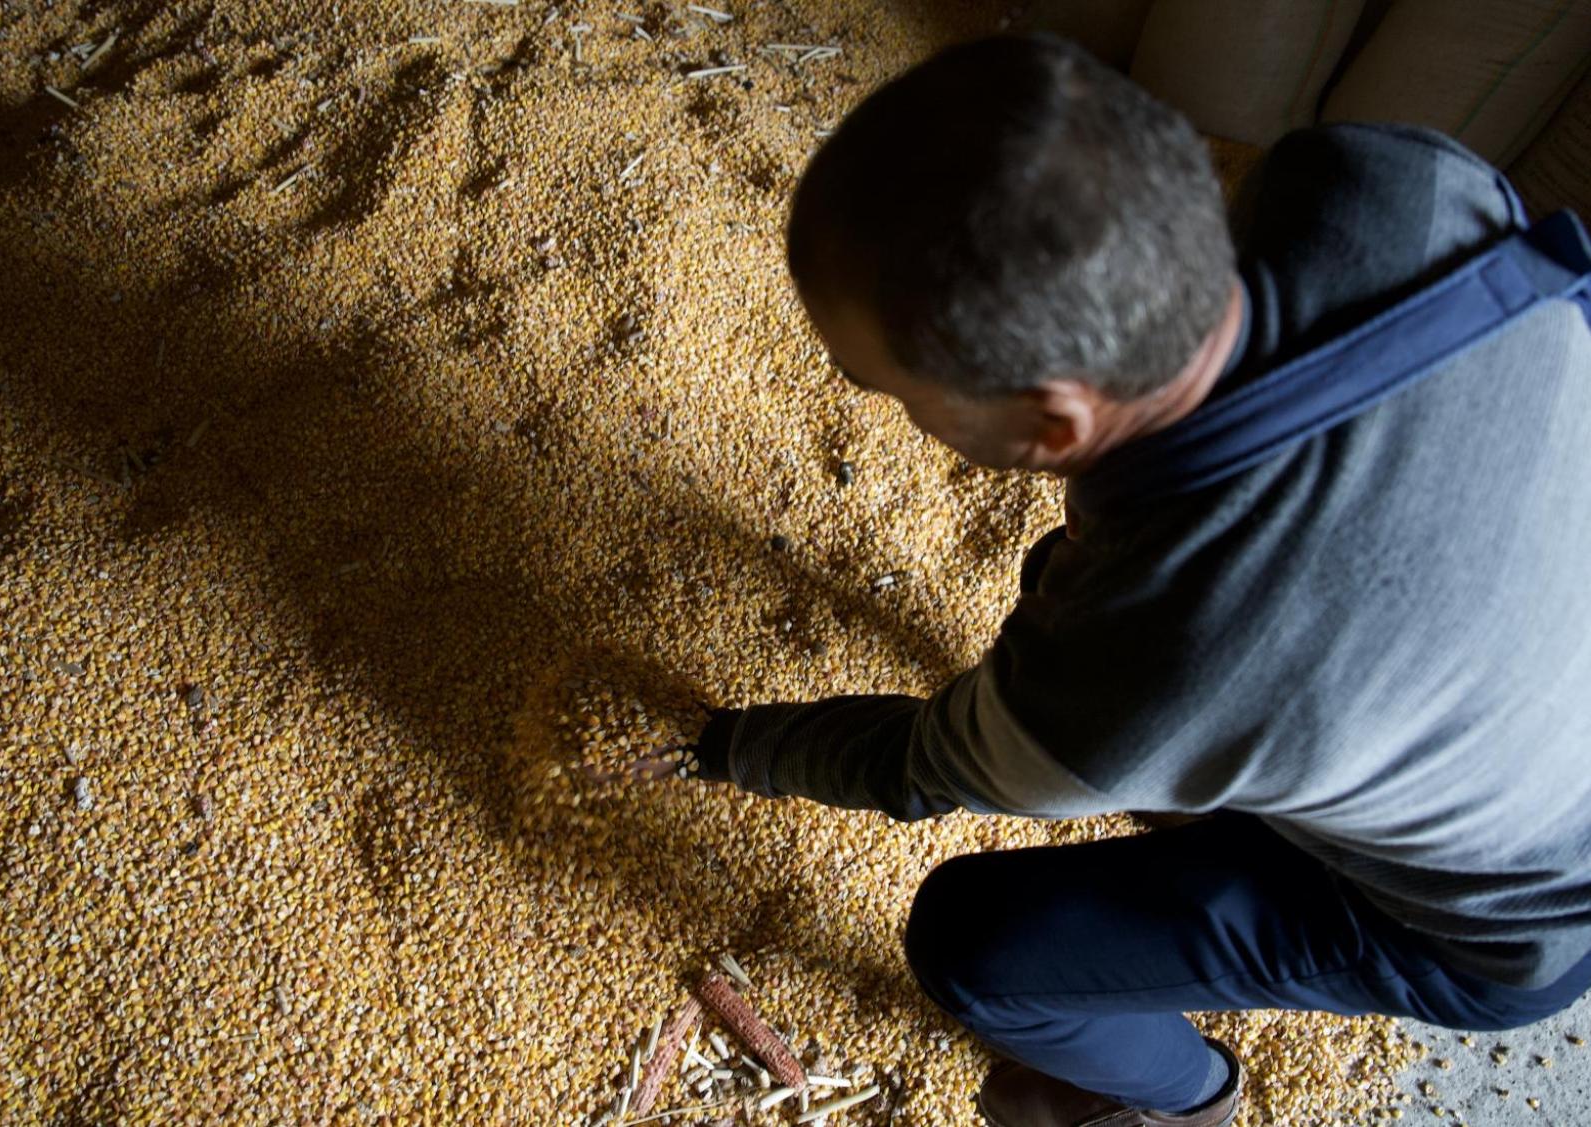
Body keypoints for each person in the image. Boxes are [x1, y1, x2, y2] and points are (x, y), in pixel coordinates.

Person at [670, 34, 1591, 1127]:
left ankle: (1179, 1102)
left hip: (1509, 930)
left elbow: (922, 766)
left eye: (892, 391)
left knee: (972, 942)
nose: (895, 411)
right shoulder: (1383, 179)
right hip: (1512, 670)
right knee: (1068, 591)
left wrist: (725, 745)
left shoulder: (1156, 661)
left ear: (1051, 419)